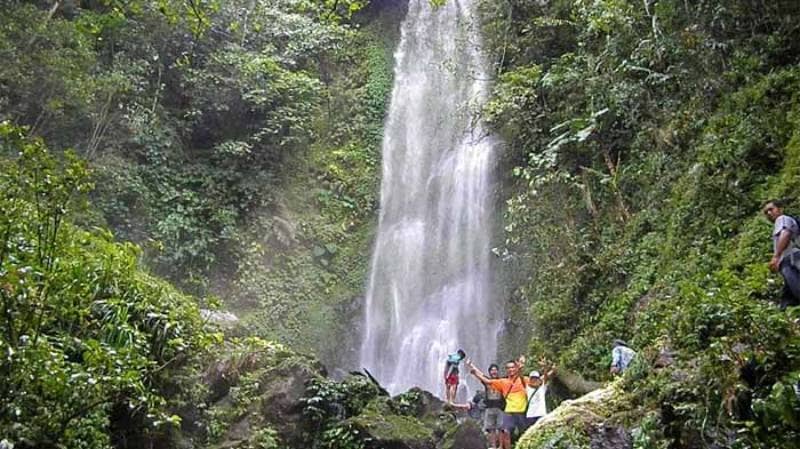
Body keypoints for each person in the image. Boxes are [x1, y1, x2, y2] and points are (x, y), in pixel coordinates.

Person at [466, 356, 528, 449]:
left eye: (513, 367)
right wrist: (473, 370)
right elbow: (485, 379)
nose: (511, 369)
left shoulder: (519, 379)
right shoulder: (502, 381)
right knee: (503, 431)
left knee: (519, 432)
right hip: (504, 410)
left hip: (515, 410)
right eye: (508, 368)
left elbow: (536, 381)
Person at [763, 199, 800, 309]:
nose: (769, 213)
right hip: (790, 260)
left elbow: (786, 233)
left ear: (780, 209)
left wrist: (776, 257)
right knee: (787, 302)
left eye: (771, 209)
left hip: (791, 259)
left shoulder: (782, 218)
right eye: (766, 212)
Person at [480, 364, 506, 449]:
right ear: (489, 372)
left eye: (495, 370)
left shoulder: (502, 381)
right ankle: (493, 446)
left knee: (501, 428)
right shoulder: (487, 380)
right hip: (489, 407)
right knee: (491, 429)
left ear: (498, 371)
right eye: (492, 370)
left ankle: (501, 446)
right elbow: (480, 375)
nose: (494, 371)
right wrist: (471, 366)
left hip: (500, 407)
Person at [525, 362, 555, 427]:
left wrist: (545, 368)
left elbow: (546, 377)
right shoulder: (527, 388)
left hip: (541, 414)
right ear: (529, 379)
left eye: (536, 378)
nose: (534, 380)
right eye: (532, 378)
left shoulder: (542, 387)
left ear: (539, 379)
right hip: (530, 415)